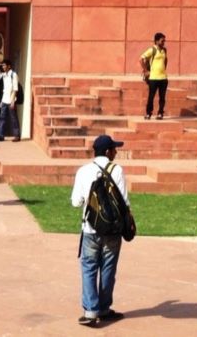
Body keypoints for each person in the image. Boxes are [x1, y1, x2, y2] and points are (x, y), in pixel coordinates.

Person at [71, 134, 132, 327]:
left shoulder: (83, 171)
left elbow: (75, 202)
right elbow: (124, 201)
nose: (116, 152)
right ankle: (104, 309)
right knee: (108, 268)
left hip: (90, 228)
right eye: (114, 149)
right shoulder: (117, 170)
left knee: (89, 268)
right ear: (107, 152)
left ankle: (90, 311)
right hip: (112, 229)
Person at [140, 33, 168, 119]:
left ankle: (160, 113)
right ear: (156, 41)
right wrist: (146, 70)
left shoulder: (164, 50)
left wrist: (163, 69)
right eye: (162, 41)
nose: (164, 42)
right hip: (153, 78)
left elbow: (166, 60)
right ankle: (149, 113)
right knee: (151, 97)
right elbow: (141, 59)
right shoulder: (152, 50)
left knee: (162, 97)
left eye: (164, 41)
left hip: (163, 78)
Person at [0, 59, 20, 141]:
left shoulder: (13, 75)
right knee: (2, 118)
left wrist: (13, 101)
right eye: (2, 65)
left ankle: (17, 135)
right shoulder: (5, 75)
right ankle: (0, 135)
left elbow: (15, 89)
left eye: (4, 65)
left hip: (11, 100)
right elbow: (5, 89)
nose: (3, 67)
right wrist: (1, 101)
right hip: (4, 99)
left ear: (9, 66)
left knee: (13, 118)